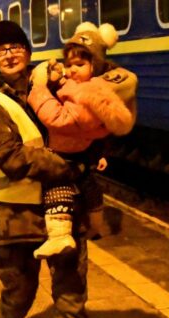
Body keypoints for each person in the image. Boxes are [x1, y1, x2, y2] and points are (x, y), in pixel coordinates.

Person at [0, 20, 87, 318]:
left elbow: (83, 118)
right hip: (15, 211)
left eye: (15, 48)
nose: (9, 55)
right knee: (20, 291)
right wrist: (66, 163)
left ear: (28, 52)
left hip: (64, 204)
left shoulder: (54, 86)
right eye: (1, 50)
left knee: (71, 290)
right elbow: (10, 157)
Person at [27, 22, 135, 258]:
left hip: (65, 154)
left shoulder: (90, 94)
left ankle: (59, 235)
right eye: (69, 64)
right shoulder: (84, 86)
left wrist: (39, 90)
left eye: (80, 64)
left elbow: (58, 118)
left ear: (94, 66)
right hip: (83, 153)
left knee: (57, 187)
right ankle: (96, 225)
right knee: (89, 187)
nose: (72, 70)